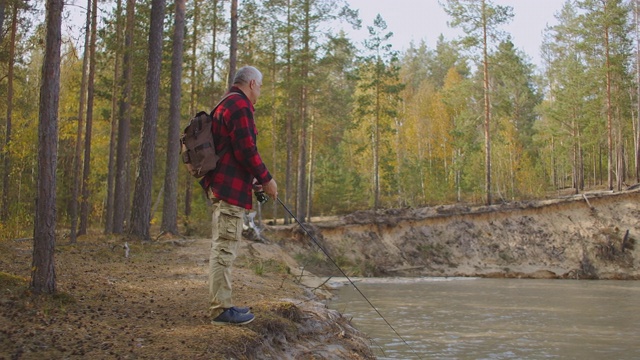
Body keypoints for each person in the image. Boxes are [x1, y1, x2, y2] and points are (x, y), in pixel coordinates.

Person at [201, 66, 278, 325]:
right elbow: (247, 149)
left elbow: (234, 150)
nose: (260, 92)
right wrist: (266, 179)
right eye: (261, 86)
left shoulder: (227, 103)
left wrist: (253, 179)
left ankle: (223, 304)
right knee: (224, 249)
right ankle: (221, 310)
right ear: (253, 83)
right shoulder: (239, 105)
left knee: (225, 247)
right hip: (228, 189)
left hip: (227, 185)